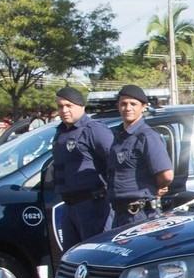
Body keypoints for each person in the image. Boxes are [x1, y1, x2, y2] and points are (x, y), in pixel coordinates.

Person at [50, 87, 113, 254]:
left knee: (95, 255)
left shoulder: (93, 130)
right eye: (60, 106)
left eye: (69, 105)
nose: (64, 110)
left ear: (81, 106)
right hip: (69, 205)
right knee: (73, 257)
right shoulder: (61, 131)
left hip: (92, 205)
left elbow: (115, 163)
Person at [107, 85, 173, 227]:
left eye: (133, 104)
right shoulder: (118, 136)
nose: (128, 108)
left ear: (143, 107)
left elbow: (166, 175)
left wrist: (155, 187)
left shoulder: (147, 136)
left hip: (140, 214)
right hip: (120, 214)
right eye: (123, 103)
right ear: (118, 106)